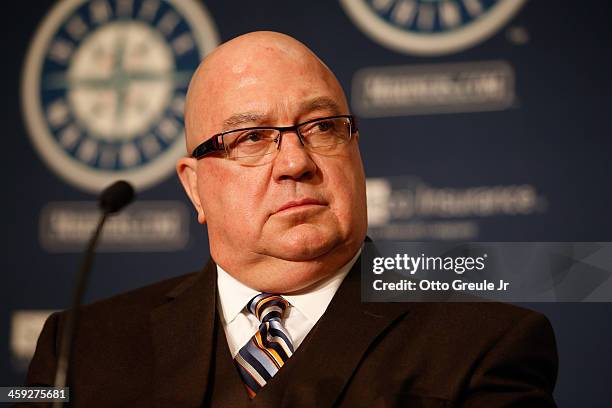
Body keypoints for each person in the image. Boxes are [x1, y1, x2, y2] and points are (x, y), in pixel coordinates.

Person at [26, 32, 558, 407]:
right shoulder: (76, 348)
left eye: (322, 126)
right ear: (194, 185)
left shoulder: (486, 344)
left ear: (355, 152)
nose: (297, 162)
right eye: (252, 137)